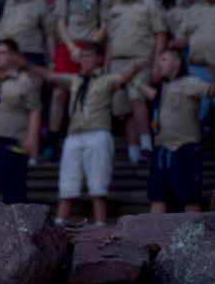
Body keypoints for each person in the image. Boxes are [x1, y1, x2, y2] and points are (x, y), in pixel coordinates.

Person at [29, 42, 150, 225]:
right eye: (82, 56)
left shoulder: (106, 79)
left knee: (99, 182)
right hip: (74, 133)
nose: (84, 59)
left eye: (89, 56)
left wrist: (137, 65)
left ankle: (100, 224)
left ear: (99, 59)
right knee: (68, 182)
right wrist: (24, 64)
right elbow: (50, 76)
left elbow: (123, 78)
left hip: (98, 132)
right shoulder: (75, 79)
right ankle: (59, 222)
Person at [46, 0, 111, 159]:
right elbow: (60, 21)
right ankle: (54, 140)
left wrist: (90, 48)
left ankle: (85, 133)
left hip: (91, 44)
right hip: (69, 44)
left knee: (89, 91)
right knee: (58, 92)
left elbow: (105, 23)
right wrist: (72, 47)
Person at [138, 49, 215, 213]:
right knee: (157, 197)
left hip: (184, 147)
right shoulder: (162, 88)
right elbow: (145, 90)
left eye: (164, 59)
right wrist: (136, 78)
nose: (160, 63)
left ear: (177, 63)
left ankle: (194, 237)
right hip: (161, 148)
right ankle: (152, 237)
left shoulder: (190, 83)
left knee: (190, 197)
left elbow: (210, 90)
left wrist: (213, 69)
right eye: (159, 60)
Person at [105, 0, 167, 163]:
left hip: (141, 60)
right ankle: (133, 151)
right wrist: (106, 67)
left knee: (137, 96)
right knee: (123, 108)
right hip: (117, 62)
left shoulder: (150, 5)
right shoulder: (115, 9)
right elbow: (111, 41)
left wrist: (157, 62)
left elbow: (161, 34)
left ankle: (147, 143)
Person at [0, 39, 41, 203]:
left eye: (2, 53)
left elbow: (35, 109)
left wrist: (32, 139)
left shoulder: (24, 81)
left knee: (13, 195)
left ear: (15, 56)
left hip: (13, 143)